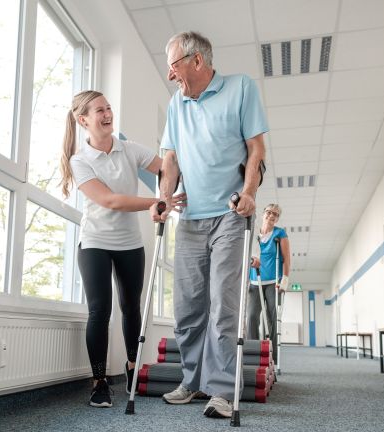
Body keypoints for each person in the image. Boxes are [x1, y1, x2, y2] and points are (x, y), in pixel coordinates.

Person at [151, 31, 268, 419]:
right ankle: (193, 379)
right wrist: (165, 198)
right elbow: (170, 160)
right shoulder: (175, 105)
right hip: (191, 217)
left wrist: (249, 191)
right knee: (187, 305)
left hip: (231, 214)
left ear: (196, 61)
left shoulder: (240, 88)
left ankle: (220, 389)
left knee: (223, 303)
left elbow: (256, 148)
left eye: (173, 66)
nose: (171, 75)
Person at [59, 90, 186, 408]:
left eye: (109, 108)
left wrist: (167, 187)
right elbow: (110, 201)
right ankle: (99, 381)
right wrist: (157, 202)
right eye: (99, 110)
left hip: (130, 243)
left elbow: (166, 167)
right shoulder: (80, 160)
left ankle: (132, 368)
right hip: (95, 243)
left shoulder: (130, 150)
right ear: (83, 119)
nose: (107, 114)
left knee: (132, 309)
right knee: (99, 310)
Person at [248, 203, 291, 364]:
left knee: (271, 318)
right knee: (251, 317)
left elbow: (286, 259)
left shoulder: (280, 233)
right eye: (269, 212)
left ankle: (272, 358)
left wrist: (284, 281)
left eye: (275, 214)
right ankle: (252, 353)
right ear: (263, 214)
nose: (271, 216)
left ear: (277, 218)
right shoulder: (254, 233)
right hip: (254, 281)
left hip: (274, 283)